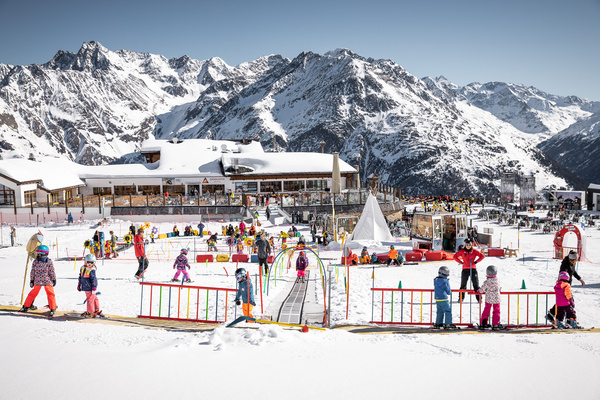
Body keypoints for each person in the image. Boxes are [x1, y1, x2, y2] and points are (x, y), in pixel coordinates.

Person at [547, 250, 585, 324]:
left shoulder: (572, 263)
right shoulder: (564, 265)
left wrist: (580, 279)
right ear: (570, 259)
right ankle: (569, 320)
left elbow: (573, 272)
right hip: (563, 286)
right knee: (568, 302)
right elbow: (562, 275)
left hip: (567, 286)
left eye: (576, 261)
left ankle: (551, 314)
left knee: (562, 302)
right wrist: (564, 286)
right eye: (573, 261)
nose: (574, 262)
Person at [20, 245, 57, 316]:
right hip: (47, 281)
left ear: (39, 253)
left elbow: (32, 272)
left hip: (37, 281)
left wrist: (32, 280)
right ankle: (53, 308)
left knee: (33, 293)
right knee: (50, 294)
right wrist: (53, 279)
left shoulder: (35, 261)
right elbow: (51, 271)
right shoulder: (49, 261)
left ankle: (26, 306)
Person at [477, 265, 504, 330]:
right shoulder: (497, 280)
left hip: (489, 298)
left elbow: (482, 289)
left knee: (486, 310)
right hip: (496, 298)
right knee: (496, 311)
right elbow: (500, 287)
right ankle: (496, 324)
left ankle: (484, 323)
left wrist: (479, 291)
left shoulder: (487, 281)